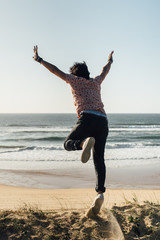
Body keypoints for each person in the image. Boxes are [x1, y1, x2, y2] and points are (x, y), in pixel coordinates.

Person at [33, 45, 113, 217]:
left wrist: (39, 60)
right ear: (87, 72)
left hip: (87, 118)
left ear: (75, 74)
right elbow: (104, 71)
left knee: (68, 143)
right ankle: (100, 193)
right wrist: (110, 60)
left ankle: (83, 143)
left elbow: (55, 70)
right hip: (103, 121)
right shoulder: (95, 82)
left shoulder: (74, 80)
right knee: (99, 158)